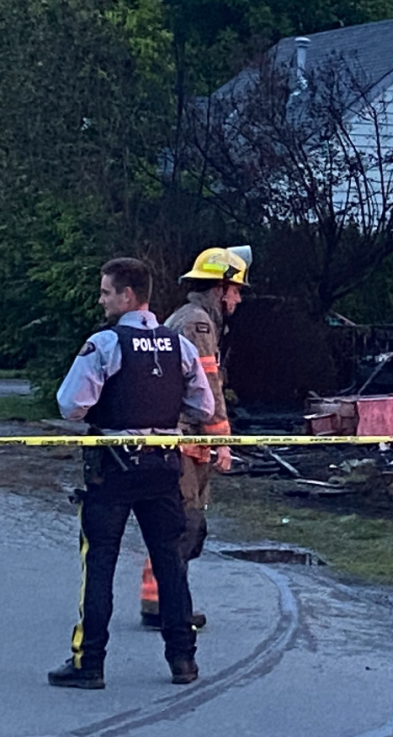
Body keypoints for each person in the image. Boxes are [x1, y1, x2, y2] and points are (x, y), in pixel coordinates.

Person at [48, 258, 215, 689]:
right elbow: (204, 408)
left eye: (106, 292)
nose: (101, 300)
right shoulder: (179, 345)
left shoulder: (106, 343)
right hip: (163, 467)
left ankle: (90, 663)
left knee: (100, 562)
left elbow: (71, 405)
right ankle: (183, 661)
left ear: (127, 296)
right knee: (170, 564)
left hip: (114, 468)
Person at [139, 246, 251, 629]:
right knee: (183, 524)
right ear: (220, 287)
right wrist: (223, 441)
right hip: (186, 440)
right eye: (235, 290)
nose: (237, 298)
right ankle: (170, 606)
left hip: (179, 438)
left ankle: (158, 603)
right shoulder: (198, 324)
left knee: (172, 522)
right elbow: (209, 388)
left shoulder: (189, 318)